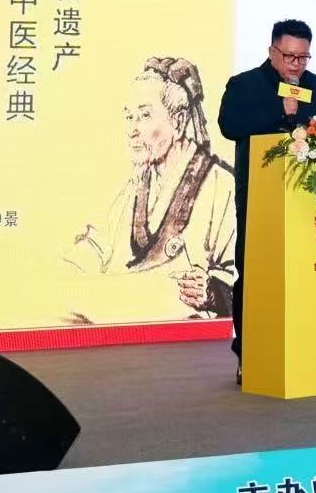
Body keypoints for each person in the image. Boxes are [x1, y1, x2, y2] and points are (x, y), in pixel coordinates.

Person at [64, 57, 237, 321]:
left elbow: (244, 275)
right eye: (129, 117)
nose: (132, 130)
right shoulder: (138, 183)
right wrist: (68, 268)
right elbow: (98, 244)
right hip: (127, 314)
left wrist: (211, 293)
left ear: (178, 121)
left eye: (144, 115)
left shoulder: (220, 186)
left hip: (186, 331)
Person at [218, 19, 316, 379]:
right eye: (289, 56)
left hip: (308, 203)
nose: (296, 65)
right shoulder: (244, 85)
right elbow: (229, 126)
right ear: (272, 51)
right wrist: (281, 113)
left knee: (306, 273)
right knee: (255, 274)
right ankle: (250, 353)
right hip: (259, 197)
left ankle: (308, 348)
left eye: (303, 57)